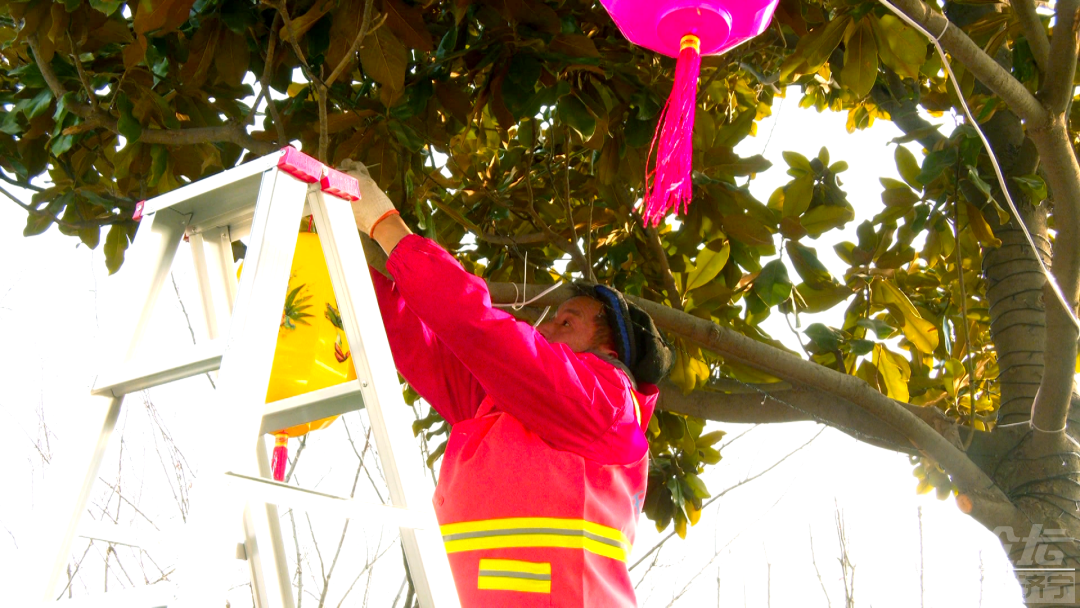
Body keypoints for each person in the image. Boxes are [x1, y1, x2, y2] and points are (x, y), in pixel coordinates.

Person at [346, 161, 673, 607]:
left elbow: (477, 326)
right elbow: (415, 340)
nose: (545, 330)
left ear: (611, 352)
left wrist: (386, 225)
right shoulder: (502, 409)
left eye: (566, 321)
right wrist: (338, 253)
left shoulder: (607, 401)